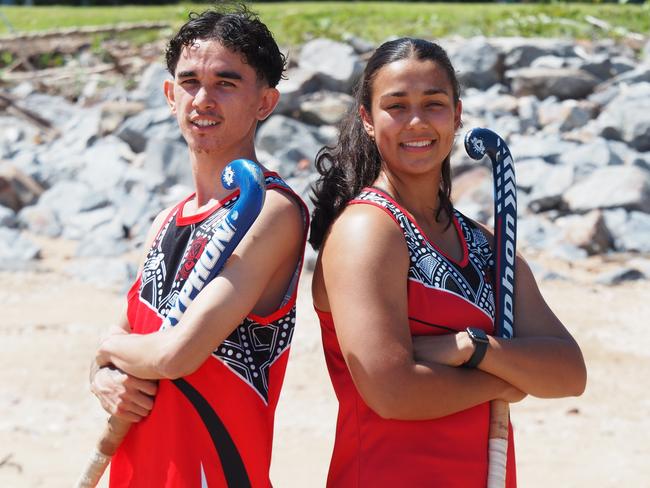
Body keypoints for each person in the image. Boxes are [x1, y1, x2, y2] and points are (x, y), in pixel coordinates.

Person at [309, 37, 586, 487]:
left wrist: (472, 348)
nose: (416, 121)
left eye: (433, 104)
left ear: (457, 115)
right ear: (366, 119)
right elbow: (393, 392)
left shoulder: (482, 243)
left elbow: (569, 371)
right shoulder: (368, 230)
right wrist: (502, 379)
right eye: (396, 106)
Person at [89, 5, 308, 487]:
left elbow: (175, 355)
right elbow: (125, 340)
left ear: (265, 103)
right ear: (170, 95)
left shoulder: (272, 211)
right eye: (189, 82)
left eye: (226, 83)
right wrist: (102, 376)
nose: (203, 99)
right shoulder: (166, 220)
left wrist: (108, 349)